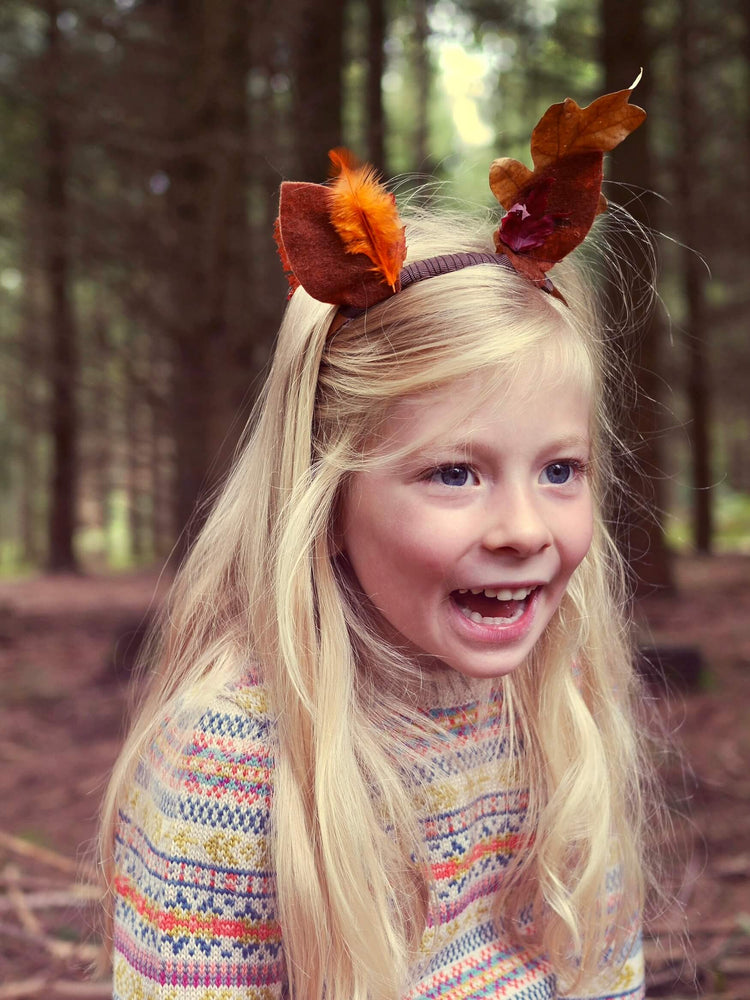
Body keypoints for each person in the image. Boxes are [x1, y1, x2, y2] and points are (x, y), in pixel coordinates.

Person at [101, 84, 658, 1000]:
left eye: (560, 470)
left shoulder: (555, 709)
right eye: (454, 473)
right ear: (328, 488)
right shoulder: (238, 770)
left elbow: (603, 971)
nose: (525, 529)